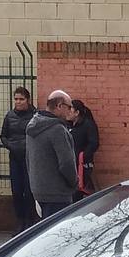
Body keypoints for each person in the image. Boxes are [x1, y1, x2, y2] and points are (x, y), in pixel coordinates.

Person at [26, 90, 80, 219]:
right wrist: (74, 183)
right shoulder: (58, 130)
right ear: (59, 106)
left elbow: (28, 159)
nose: (70, 110)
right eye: (69, 106)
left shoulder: (32, 126)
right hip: (58, 193)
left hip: (38, 191)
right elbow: (66, 163)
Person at [2, 87, 40, 229]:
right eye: (16, 99)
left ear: (28, 100)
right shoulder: (9, 116)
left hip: (29, 159)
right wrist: (10, 145)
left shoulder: (35, 116)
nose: (18, 102)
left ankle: (30, 221)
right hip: (15, 158)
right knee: (17, 191)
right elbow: (3, 135)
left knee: (29, 191)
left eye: (21, 99)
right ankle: (20, 222)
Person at [69, 98, 100, 198]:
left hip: (83, 165)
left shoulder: (87, 125)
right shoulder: (67, 125)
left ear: (77, 112)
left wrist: (82, 156)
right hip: (70, 164)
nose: (68, 112)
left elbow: (94, 143)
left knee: (79, 192)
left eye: (70, 109)